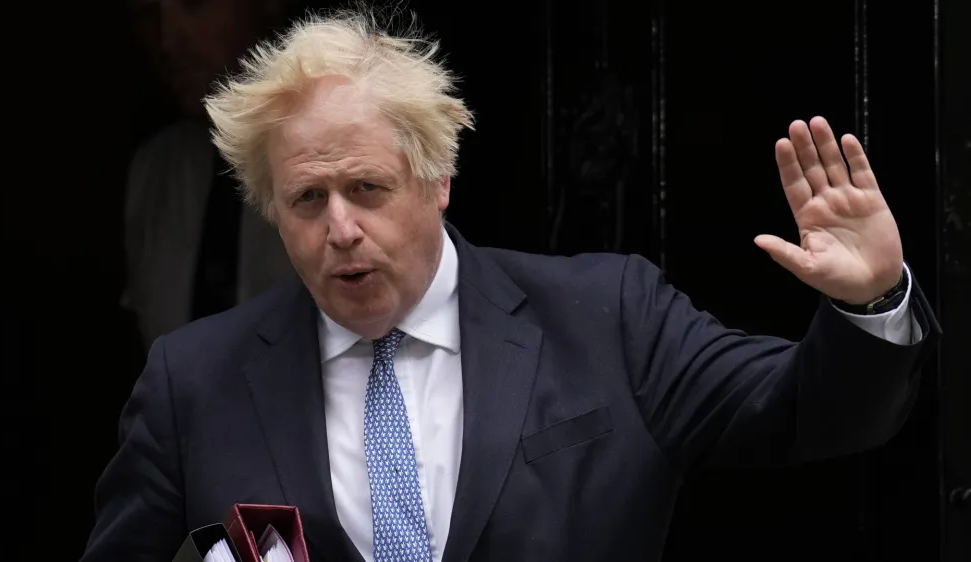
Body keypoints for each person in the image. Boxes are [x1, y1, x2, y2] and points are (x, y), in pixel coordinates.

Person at [81, 9, 941, 562]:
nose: (340, 227)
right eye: (308, 199)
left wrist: (868, 302)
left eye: (368, 189)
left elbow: (809, 414)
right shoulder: (194, 384)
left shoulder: (609, 319)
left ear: (437, 177)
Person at [121, 0, 302, 350]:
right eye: (147, 14)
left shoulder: (345, 158)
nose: (168, 41)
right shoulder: (155, 170)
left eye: (195, 4)